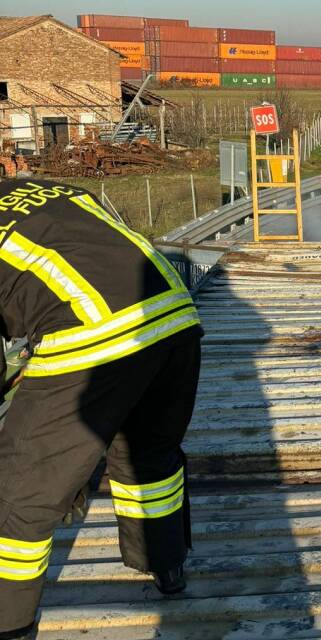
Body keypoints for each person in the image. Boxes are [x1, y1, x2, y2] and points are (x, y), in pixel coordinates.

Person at [0, 178, 202, 638]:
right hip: (175, 316)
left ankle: (7, 623)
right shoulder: (49, 189)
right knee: (148, 456)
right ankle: (166, 567)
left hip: (92, 334)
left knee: (18, 493)